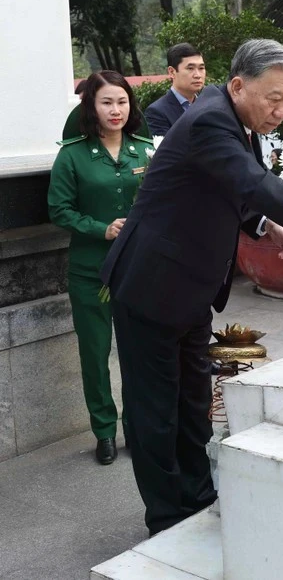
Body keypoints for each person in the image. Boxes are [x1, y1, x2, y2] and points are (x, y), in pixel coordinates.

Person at [101, 39, 283, 536]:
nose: (281, 111)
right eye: (273, 99)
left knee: (193, 403)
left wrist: (265, 224)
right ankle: (168, 517)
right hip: (151, 285)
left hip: (191, 288)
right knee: (156, 411)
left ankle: (198, 498)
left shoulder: (237, 120)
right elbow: (254, 183)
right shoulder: (210, 120)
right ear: (238, 85)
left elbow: (234, 190)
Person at [48, 71, 154, 466]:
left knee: (137, 353)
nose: (116, 110)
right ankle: (105, 433)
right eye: (107, 102)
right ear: (91, 107)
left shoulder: (144, 150)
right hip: (90, 270)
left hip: (137, 269)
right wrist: (100, 228)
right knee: (95, 356)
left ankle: (136, 427)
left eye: (122, 102)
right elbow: (59, 210)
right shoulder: (73, 154)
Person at [144, 43, 206, 136]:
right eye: (190, 68)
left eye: (201, 68)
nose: (198, 75)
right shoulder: (157, 112)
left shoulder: (208, 105)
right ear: (172, 72)